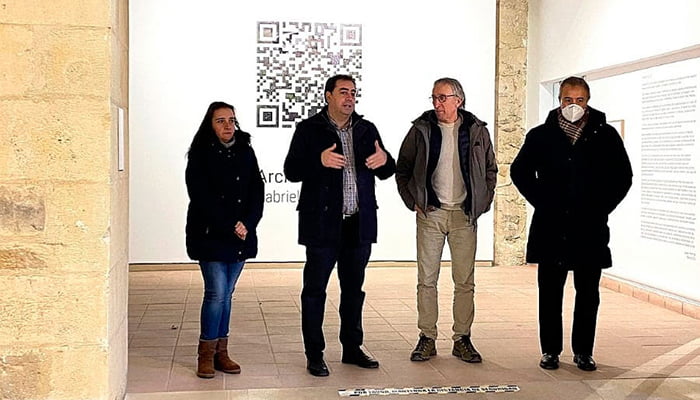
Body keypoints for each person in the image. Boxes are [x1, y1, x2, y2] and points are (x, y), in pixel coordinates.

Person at [510, 76, 632, 371]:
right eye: (568, 99)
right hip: (551, 227)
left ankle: (584, 351)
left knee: (588, 293)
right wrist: (542, 200)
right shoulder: (541, 135)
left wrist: (601, 206)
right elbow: (519, 171)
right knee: (550, 293)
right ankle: (550, 350)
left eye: (579, 100)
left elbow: (622, 176)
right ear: (559, 100)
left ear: (587, 102)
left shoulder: (605, 135)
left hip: (589, 227)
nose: (573, 105)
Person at [284, 74, 396, 377]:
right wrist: (317, 160)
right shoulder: (309, 129)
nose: (350, 98)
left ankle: (352, 348)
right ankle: (314, 354)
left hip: (358, 224)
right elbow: (291, 170)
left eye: (353, 92)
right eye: (343, 92)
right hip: (322, 225)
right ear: (328, 96)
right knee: (315, 291)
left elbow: (387, 169)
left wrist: (385, 160)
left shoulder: (366, 129)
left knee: (353, 291)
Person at [395, 77, 497, 364]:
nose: (437, 103)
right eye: (434, 98)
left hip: (464, 215)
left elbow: (490, 169)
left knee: (464, 281)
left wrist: (482, 201)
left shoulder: (477, 130)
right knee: (426, 280)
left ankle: (462, 338)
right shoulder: (421, 129)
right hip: (431, 213)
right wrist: (413, 200)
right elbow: (403, 168)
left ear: (458, 100)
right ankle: (427, 337)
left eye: (442, 98)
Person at [185, 101, 264, 378]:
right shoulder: (200, 154)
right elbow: (201, 197)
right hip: (211, 236)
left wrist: (248, 223)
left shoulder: (246, 150)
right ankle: (205, 354)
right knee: (216, 293)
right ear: (210, 124)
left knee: (226, 295)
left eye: (231, 120)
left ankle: (221, 352)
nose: (228, 125)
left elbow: (257, 189)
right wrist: (232, 225)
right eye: (221, 120)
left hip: (240, 236)